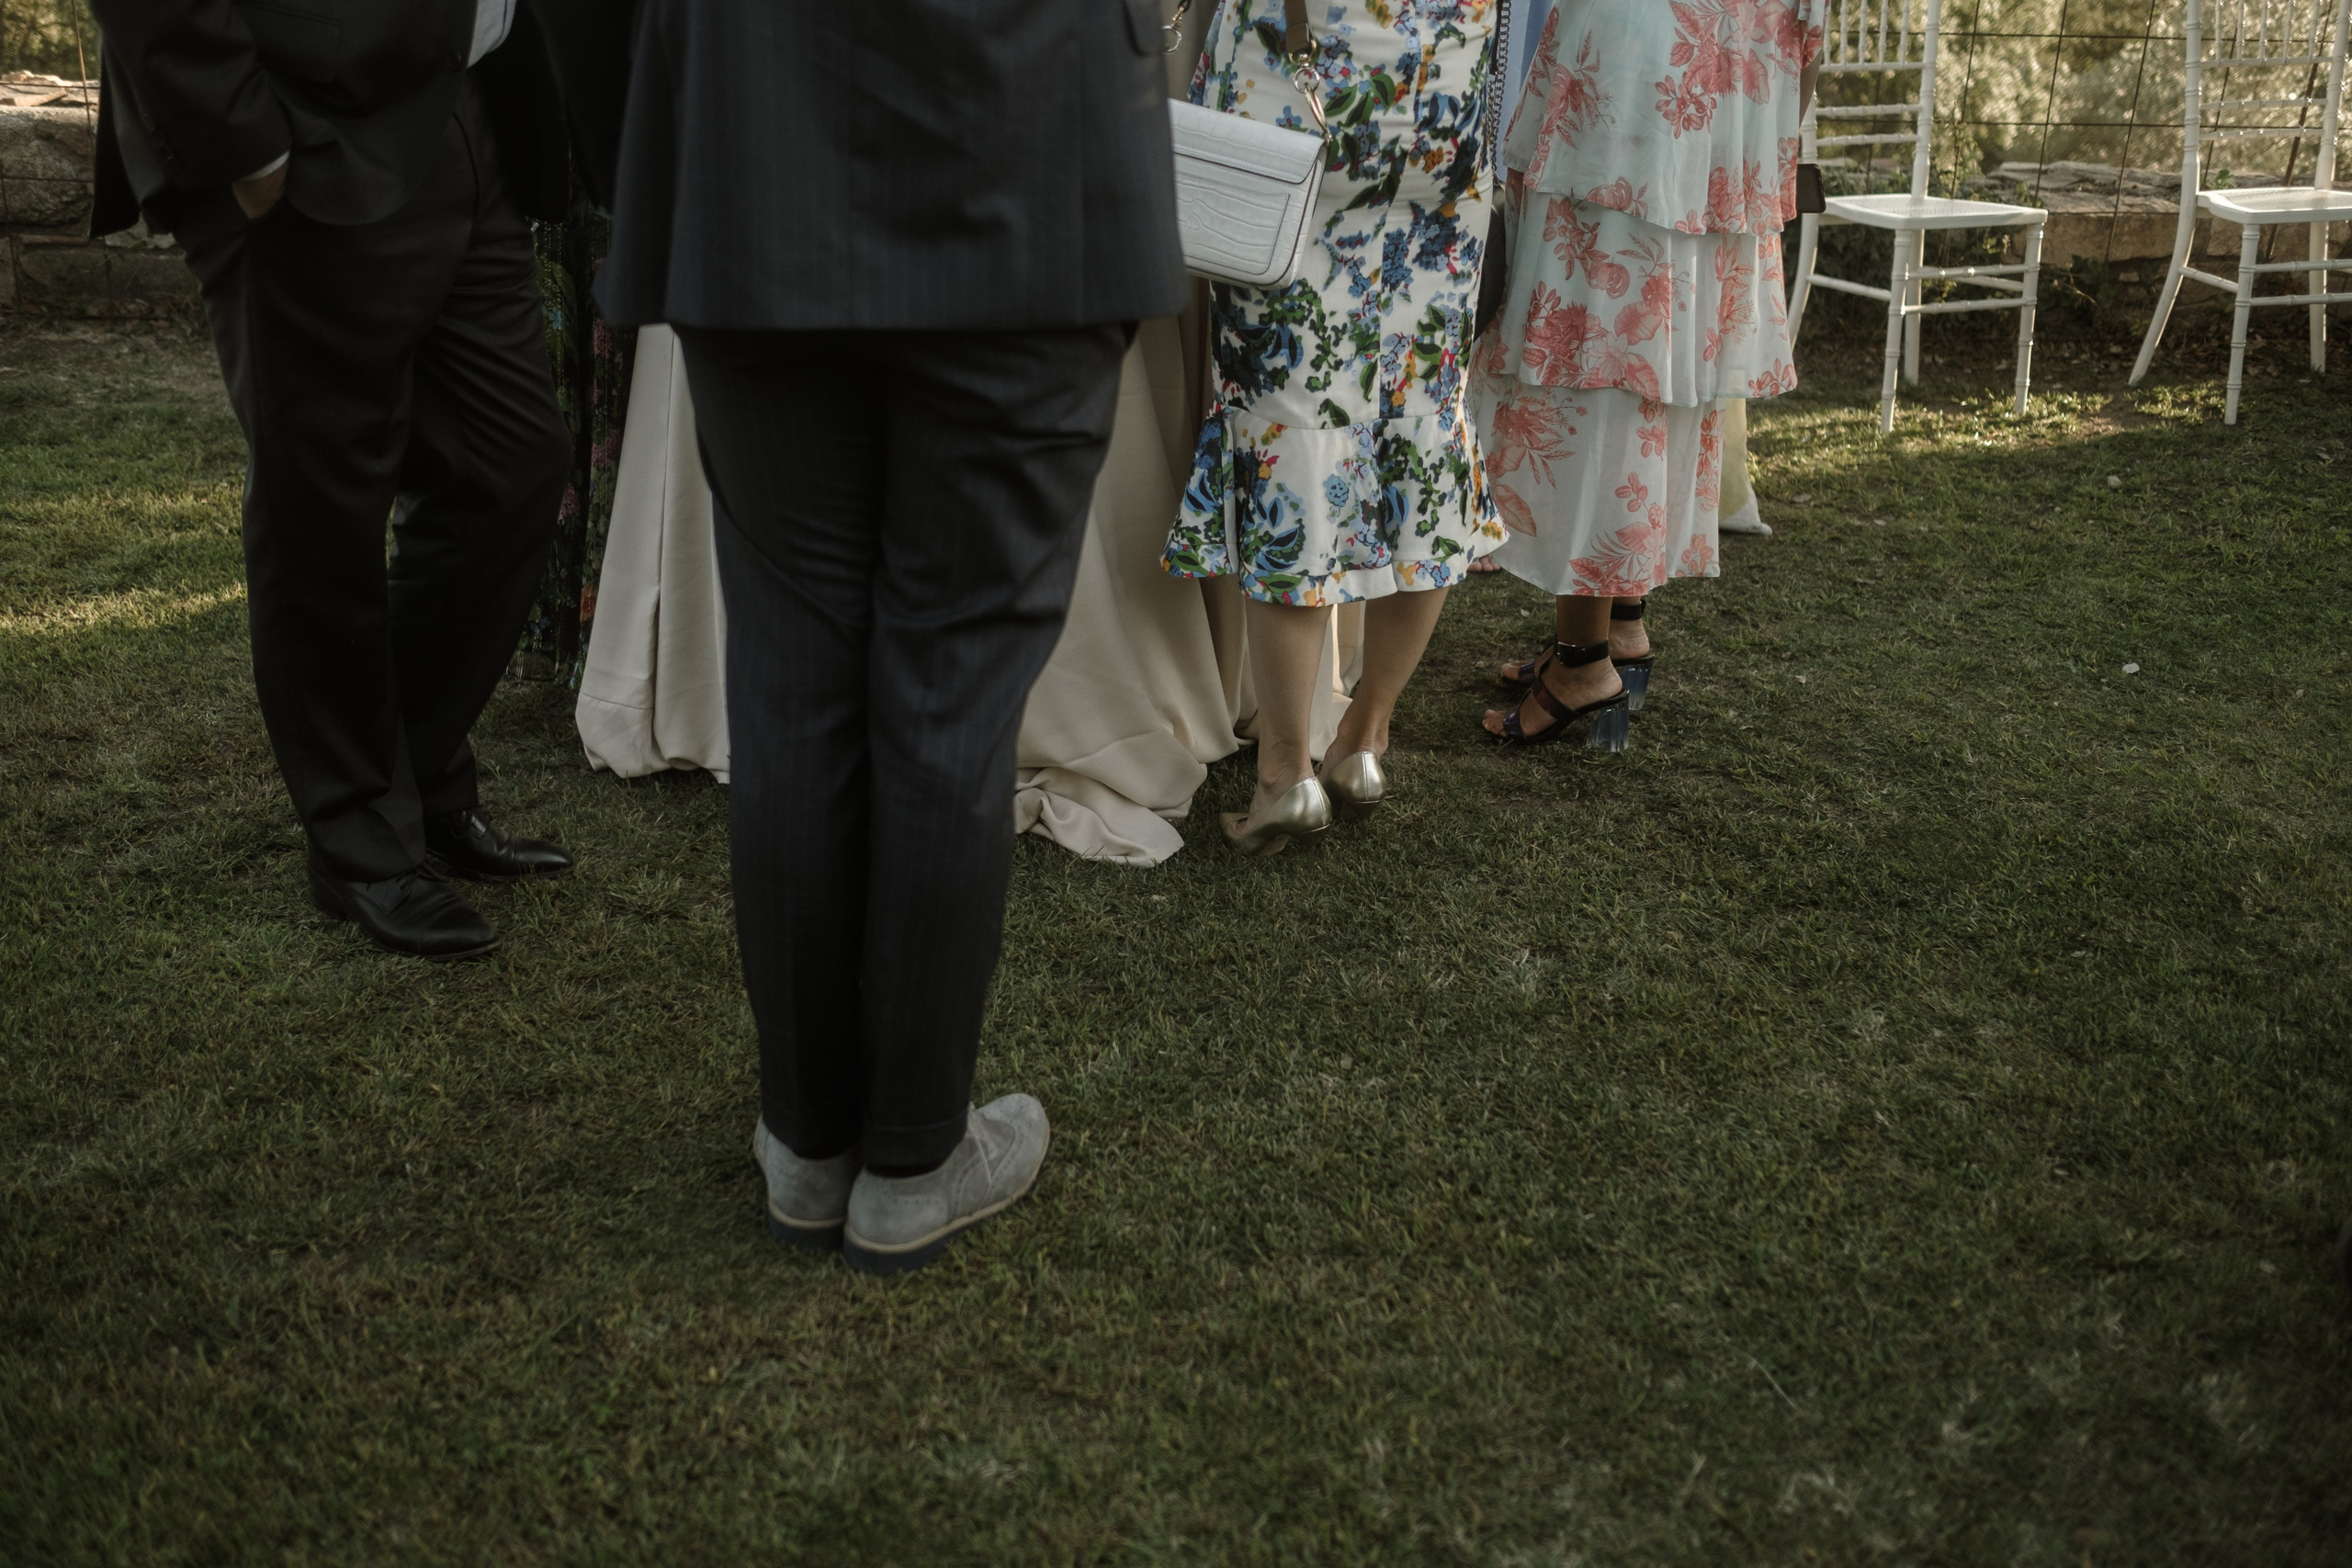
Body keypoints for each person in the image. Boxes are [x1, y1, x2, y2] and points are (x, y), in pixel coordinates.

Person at [537, 0, 1186, 1274]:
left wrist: (674, 145)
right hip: (1031, 159)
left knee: (791, 676)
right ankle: (911, 1157)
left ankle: (808, 1140)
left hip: (752, 156)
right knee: (953, 679)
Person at [87, 0, 581, 960]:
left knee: (513, 464)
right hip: (300, 122)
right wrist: (245, 141)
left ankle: (411, 775)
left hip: (463, 104)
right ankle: (360, 835)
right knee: (324, 504)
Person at [1161, 0, 1508, 854]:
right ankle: (1364, 738)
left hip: (1300, 81)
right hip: (1441, 90)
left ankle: (1285, 771)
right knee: (1424, 421)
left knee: (1290, 430)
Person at [1472, 0, 1818, 744]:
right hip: (1727, 97)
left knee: (1600, 360)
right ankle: (1618, 625)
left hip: (1633, 96)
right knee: (1650, 360)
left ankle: (1584, 660)